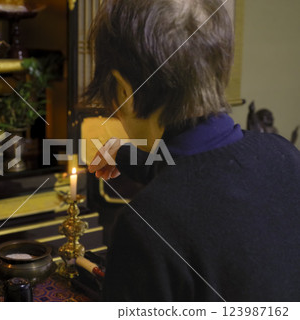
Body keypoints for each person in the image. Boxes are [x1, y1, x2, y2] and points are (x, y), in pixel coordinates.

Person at [85, 0, 300, 301]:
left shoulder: (147, 227)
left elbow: (189, 197)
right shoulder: (285, 157)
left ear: (124, 91)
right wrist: (126, 156)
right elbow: (203, 176)